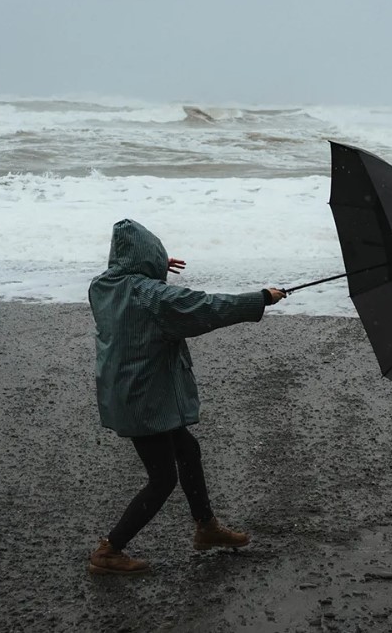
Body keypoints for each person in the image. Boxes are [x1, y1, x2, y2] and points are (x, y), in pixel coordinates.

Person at [86, 219, 286, 575]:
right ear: (147, 258)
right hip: (145, 401)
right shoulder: (152, 296)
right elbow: (206, 307)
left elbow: (134, 286)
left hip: (126, 391)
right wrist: (260, 299)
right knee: (162, 478)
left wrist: (152, 268)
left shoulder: (102, 287)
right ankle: (110, 549)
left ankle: (206, 528)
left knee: (188, 450)